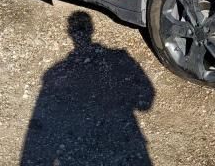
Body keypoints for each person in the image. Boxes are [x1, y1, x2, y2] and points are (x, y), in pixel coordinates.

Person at [20, 11, 155, 166]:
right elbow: (146, 102)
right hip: (124, 142)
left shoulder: (54, 73)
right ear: (91, 30)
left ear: (70, 33)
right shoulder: (120, 57)